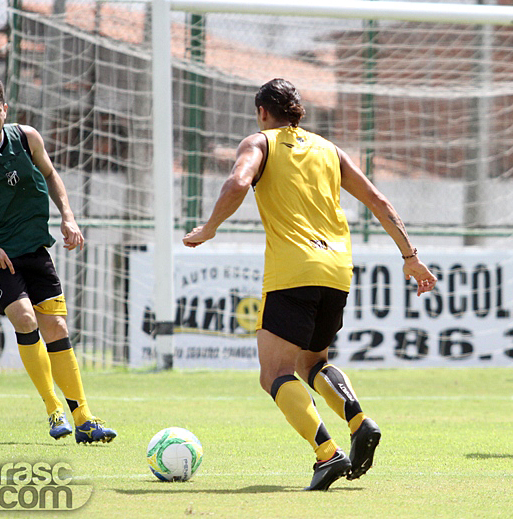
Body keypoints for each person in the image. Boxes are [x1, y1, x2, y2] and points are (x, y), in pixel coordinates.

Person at [183, 78, 437, 490]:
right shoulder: (329, 150)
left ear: (263, 112)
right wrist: (411, 257)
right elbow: (378, 200)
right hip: (337, 270)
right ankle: (359, 421)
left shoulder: (259, 143)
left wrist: (210, 228)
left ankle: (327, 454)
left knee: (274, 373)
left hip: (293, 270)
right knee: (311, 361)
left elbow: (237, 182)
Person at [0, 74, 116, 444]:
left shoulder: (27, 137)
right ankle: (54, 410)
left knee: (58, 329)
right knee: (23, 317)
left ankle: (84, 419)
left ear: (6, 109)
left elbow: (50, 175)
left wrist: (67, 215)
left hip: (34, 248)